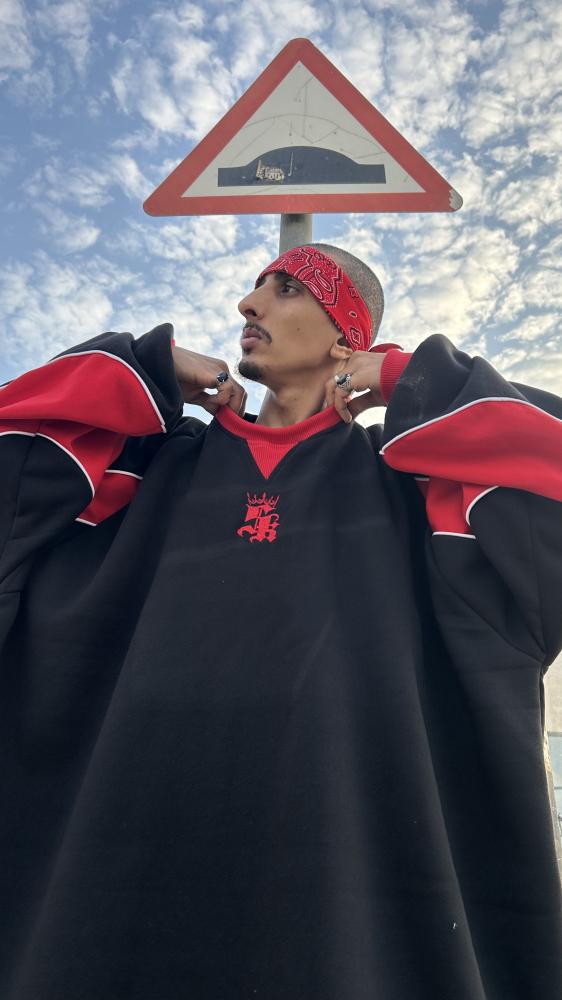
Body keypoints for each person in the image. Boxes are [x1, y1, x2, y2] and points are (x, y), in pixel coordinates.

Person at [0, 243, 561, 1000]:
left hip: (357, 925)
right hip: (103, 902)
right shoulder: (148, 468)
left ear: (346, 338)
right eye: (256, 284)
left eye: (288, 287)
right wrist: (139, 369)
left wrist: (412, 380)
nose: (248, 303)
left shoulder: (418, 495)